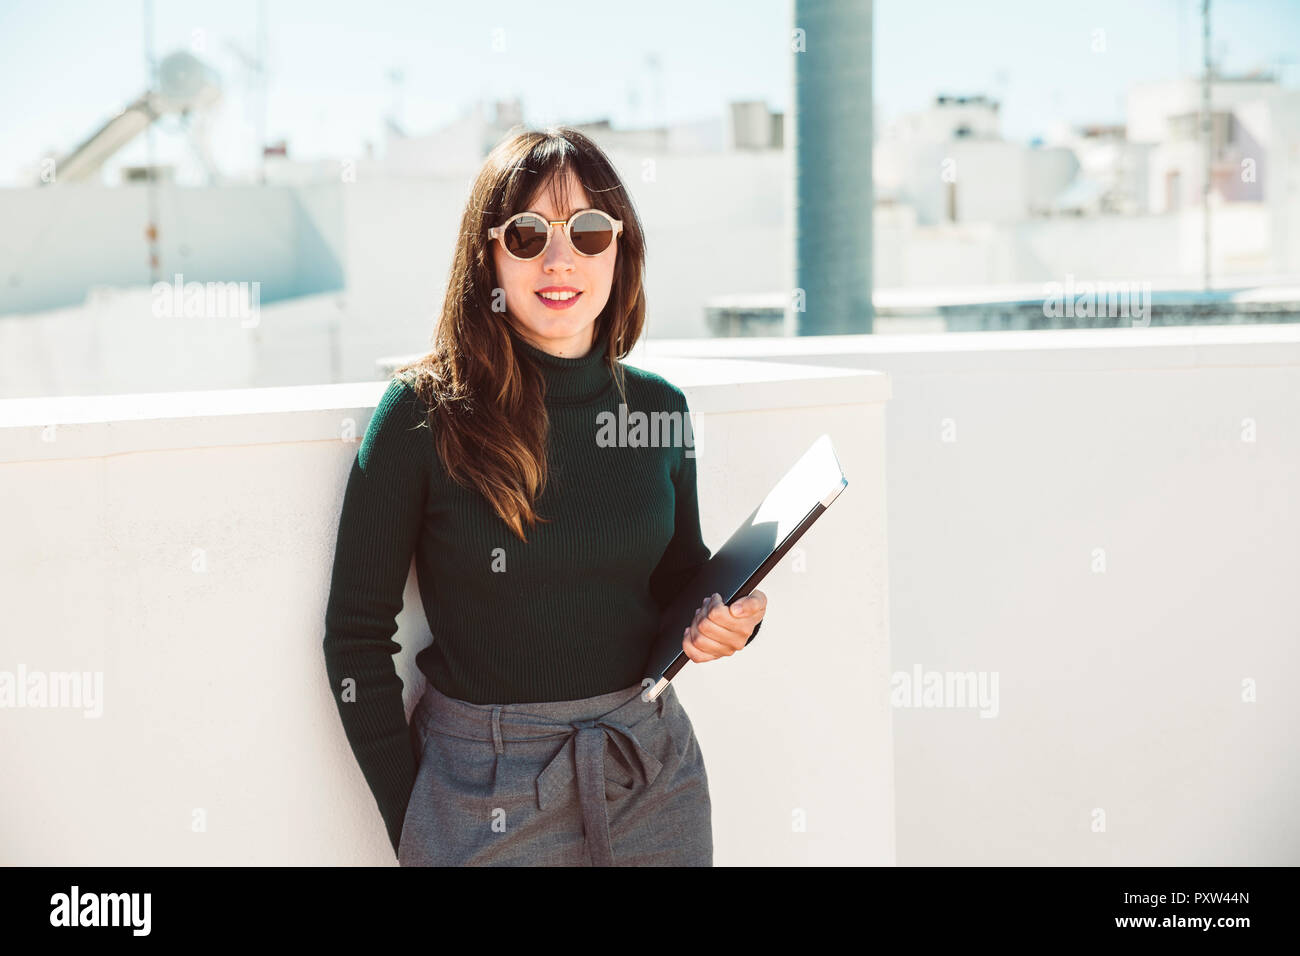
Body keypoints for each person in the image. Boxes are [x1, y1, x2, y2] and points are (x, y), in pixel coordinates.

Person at [322, 126, 767, 866]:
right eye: (528, 233)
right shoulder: (422, 413)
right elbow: (355, 635)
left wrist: (733, 622)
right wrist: (416, 822)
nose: (561, 260)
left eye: (589, 231)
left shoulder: (658, 409)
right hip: (481, 789)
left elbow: (679, 581)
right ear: (488, 254)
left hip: (651, 771)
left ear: (620, 250)